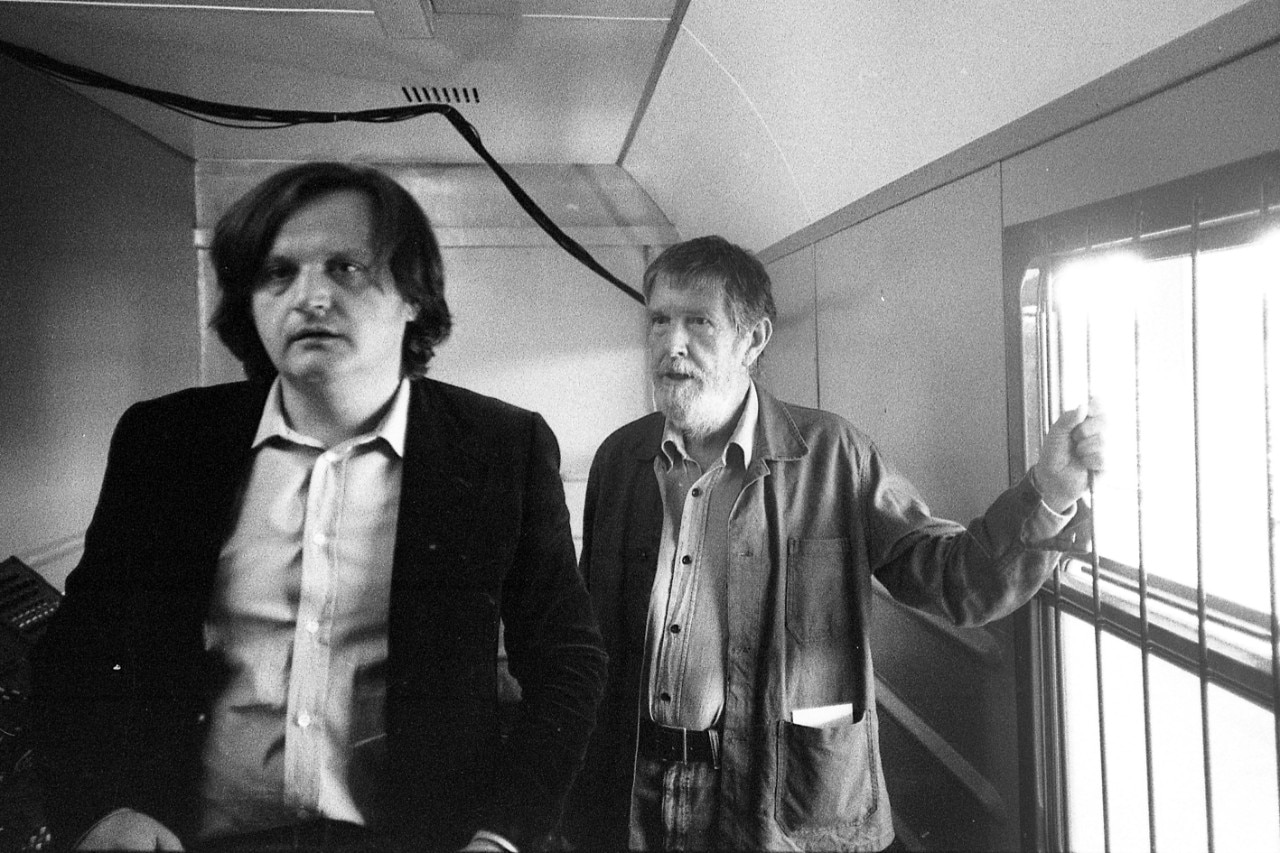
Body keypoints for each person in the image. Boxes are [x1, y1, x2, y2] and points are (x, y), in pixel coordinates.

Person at [32, 162, 607, 853]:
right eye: (278, 273)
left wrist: (503, 835)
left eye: (346, 267)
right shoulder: (166, 441)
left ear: (414, 295)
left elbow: (568, 660)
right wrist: (100, 808)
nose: (309, 297)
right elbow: (80, 648)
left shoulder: (499, 448)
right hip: (190, 840)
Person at [565, 235, 1105, 851]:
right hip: (632, 795)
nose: (672, 344)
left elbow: (956, 581)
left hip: (777, 806)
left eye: (698, 323)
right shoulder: (621, 458)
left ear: (753, 340)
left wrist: (1049, 493)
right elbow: (591, 633)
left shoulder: (833, 456)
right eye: (659, 321)